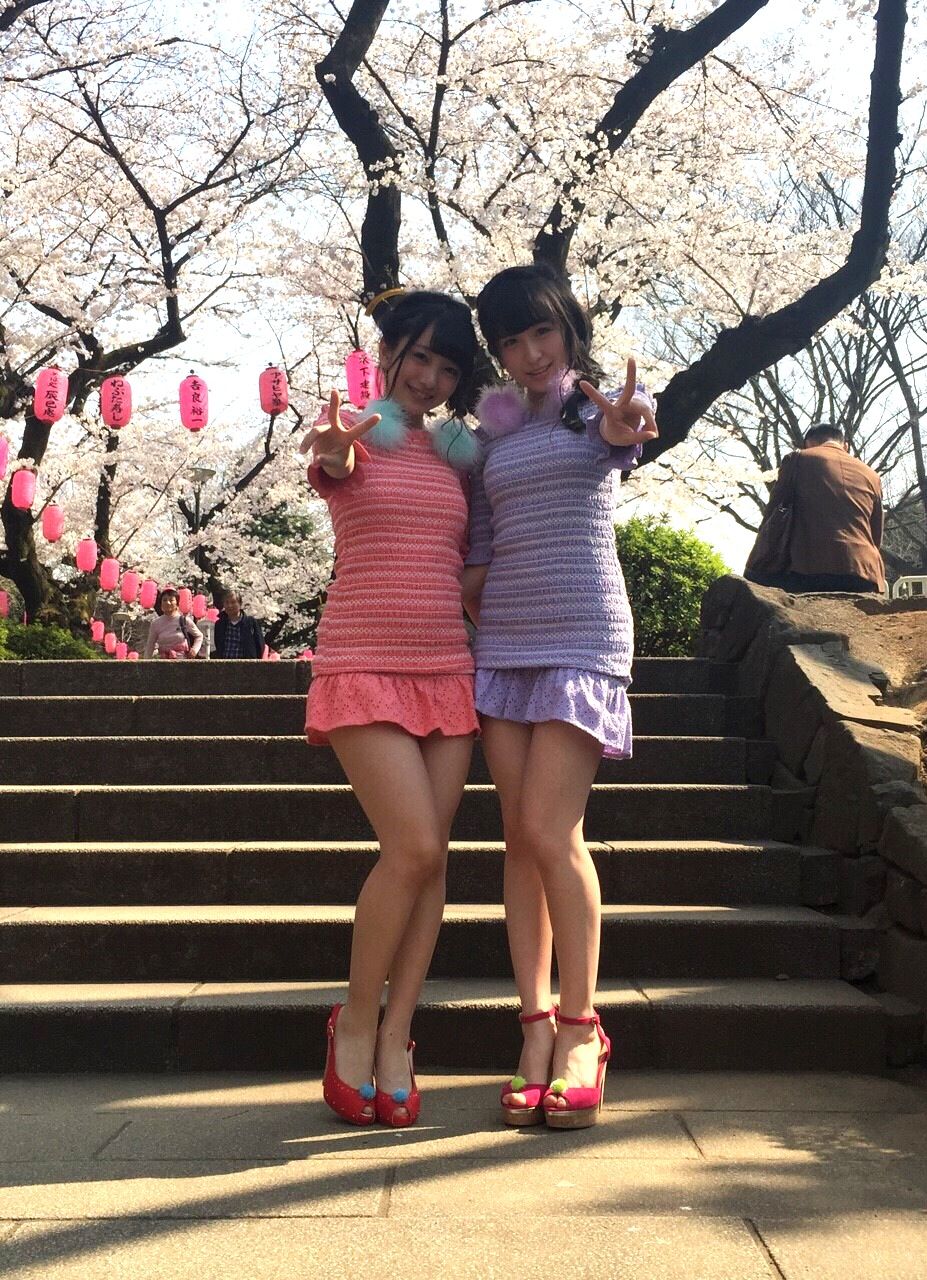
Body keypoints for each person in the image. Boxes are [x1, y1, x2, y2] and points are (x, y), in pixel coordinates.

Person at [461, 262, 658, 1130]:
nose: (531, 353)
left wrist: (624, 423)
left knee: (551, 830)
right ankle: (534, 1026)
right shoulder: (491, 432)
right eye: (511, 340)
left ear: (568, 328)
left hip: (583, 635)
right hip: (505, 641)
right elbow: (480, 539)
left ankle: (582, 1028)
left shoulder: (596, 408)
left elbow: (624, 432)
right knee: (518, 839)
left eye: (542, 331)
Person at [302, 291, 480, 1128]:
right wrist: (336, 447)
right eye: (420, 357)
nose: (431, 377)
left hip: (447, 669)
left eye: (448, 366)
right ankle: (355, 1018)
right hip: (363, 662)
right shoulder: (355, 435)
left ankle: (397, 1032)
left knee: (433, 863)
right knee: (411, 847)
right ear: (388, 354)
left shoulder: (460, 455)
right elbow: (333, 465)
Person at [745, 422, 885, 593]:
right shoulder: (872, 475)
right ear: (845, 446)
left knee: (752, 579)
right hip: (864, 571)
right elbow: (876, 534)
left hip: (809, 568)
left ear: (808, 444)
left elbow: (773, 512)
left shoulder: (797, 459)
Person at [143, 587, 203, 659]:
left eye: (171, 600)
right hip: (163, 661)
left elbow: (199, 636)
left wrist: (194, 650)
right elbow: (150, 645)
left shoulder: (184, 620)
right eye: (164, 600)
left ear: (177, 603)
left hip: (182, 660)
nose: (167, 603)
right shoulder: (156, 623)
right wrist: (145, 662)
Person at [213, 591, 265, 658]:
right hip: (225, 663)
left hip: (246, 663)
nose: (229, 605)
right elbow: (218, 645)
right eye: (227, 602)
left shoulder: (251, 623)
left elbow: (260, 645)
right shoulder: (220, 624)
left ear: (240, 604)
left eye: (233, 602)